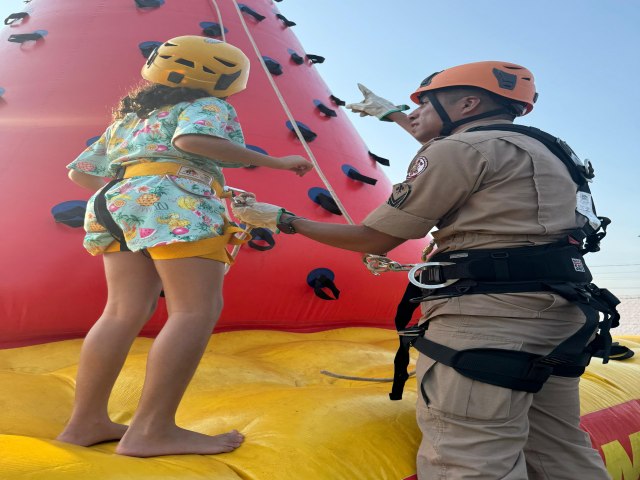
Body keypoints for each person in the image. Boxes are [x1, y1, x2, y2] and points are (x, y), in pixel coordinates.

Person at [232, 61, 615, 479]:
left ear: (468, 103)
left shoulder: (457, 151)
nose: (414, 113)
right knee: (558, 449)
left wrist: (283, 220)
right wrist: (389, 113)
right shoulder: (549, 149)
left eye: (426, 103)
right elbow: (457, 143)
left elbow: (373, 238)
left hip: (489, 323)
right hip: (561, 313)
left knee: (468, 456)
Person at [56, 36, 312, 457]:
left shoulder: (130, 118)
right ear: (223, 77)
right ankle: (152, 430)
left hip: (112, 202)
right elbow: (191, 143)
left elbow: (81, 176)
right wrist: (274, 161)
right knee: (195, 309)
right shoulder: (209, 104)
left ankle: (84, 422)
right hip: (174, 203)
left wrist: (148, 185)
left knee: (122, 311)